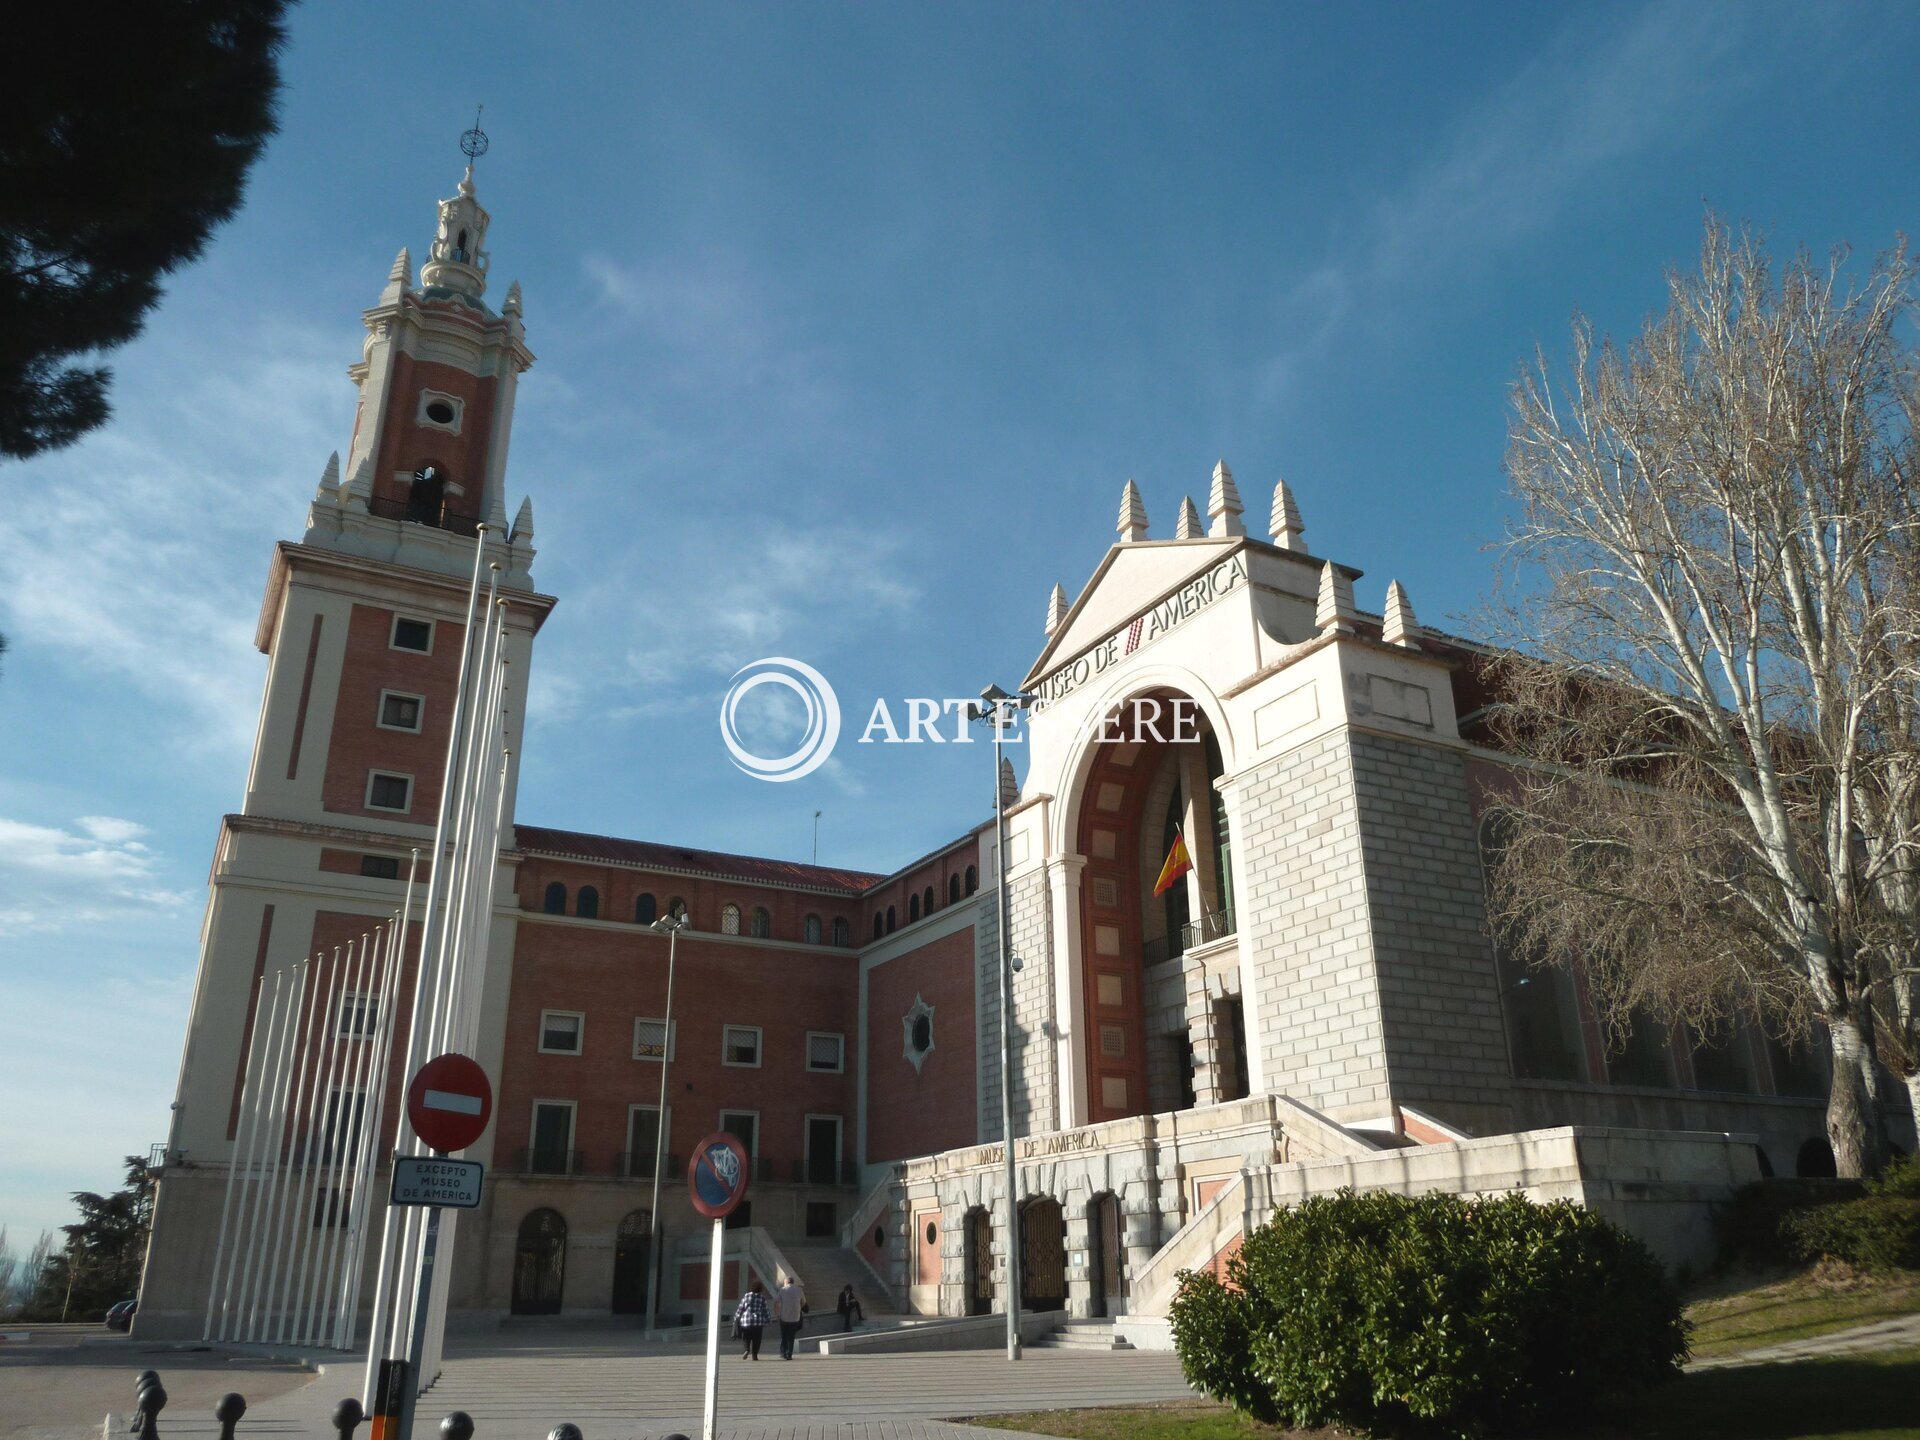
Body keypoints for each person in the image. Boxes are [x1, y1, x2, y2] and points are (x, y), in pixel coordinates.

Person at [733, 1280, 770, 1361]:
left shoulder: (747, 1296)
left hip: (746, 1321)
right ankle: (755, 1355)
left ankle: (747, 1349)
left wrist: (736, 1316)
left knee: (746, 1337)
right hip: (758, 1321)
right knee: (757, 1339)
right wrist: (767, 1319)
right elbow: (765, 1310)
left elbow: (741, 1308)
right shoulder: (762, 1298)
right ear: (760, 1289)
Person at [774, 1272, 807, 1359]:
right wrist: (798, 1308)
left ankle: (783, 1352)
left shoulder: (782, 1290)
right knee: (791, 1336)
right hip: (795, 1317)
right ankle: (789, 1354)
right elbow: (804, 1303)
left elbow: (776, 1302)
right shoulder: (799, 1290)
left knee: (784, 1335)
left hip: (784, 1317)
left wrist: (777, 1314)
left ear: (786, 1282)